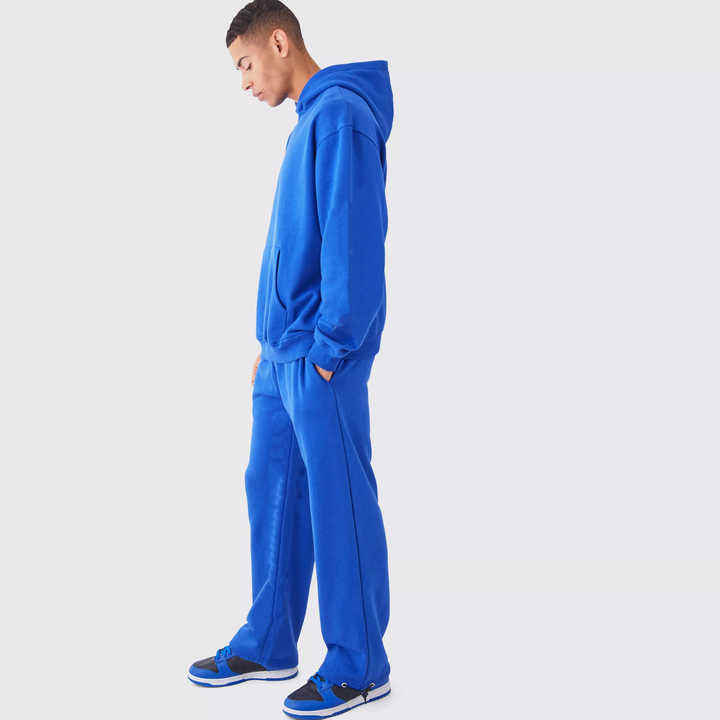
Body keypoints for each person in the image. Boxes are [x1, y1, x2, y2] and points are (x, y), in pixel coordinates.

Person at [186, 2, 394, 716]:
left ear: (280, 41)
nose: (244, 82)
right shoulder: (309, 122)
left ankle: (360, 664)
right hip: (283, 354)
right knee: (271, 490)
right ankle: (270, 640)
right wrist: (269, 342)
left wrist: (330, 347)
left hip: (320, 354)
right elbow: (296, 249)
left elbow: (351, 239)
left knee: (339, 502)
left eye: (245, 64)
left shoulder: (339, 116)